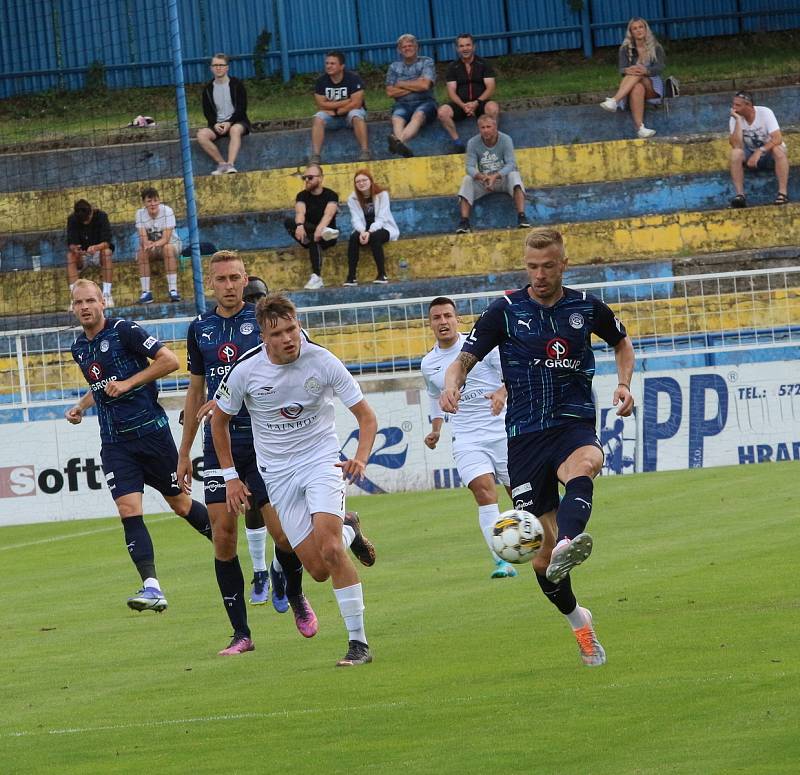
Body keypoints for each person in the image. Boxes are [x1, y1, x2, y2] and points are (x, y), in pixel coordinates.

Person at [440, 228, 635, 667]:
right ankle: (578, 622)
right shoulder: (506, 310)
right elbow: (463, 359)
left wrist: (624, 385)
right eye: (532, 267)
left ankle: (570, 539)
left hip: (572, 421)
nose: (540, 274)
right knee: (541, 561)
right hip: (524, 436)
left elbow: (622, 342)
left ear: (564, 264)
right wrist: (453, 385)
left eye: (548, 266)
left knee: (585, 464)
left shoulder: (586, 307)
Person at [211, 293, 378, 667]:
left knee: (331, 550)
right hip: (279, 475)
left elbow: (367, 417)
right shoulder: (245, 371)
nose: (289, 338)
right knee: (318, 570)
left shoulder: (322, 360)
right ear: (263, 337)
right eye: (279, 333)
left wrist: (361, 458)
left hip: (321, 461)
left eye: (293, 328)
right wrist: (231, 478)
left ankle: (358, 644)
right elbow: (218, 421)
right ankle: (350, 529)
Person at [177, 252, 314, 655]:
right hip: (219, 444)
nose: (231, 285)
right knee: (223, 537)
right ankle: (241, 634)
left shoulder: (264, 325)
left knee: (285, 535)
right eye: (222, 279)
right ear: (212, 284)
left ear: (245, 279)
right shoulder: (199, 328)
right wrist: (184, 452)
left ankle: (295, 595)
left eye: (237, 278)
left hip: (265, 441)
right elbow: (195, 392)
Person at [66, 279, 213, 613]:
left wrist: (129, 383)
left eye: (91, 300)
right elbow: (102, 385)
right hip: (115, 442)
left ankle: (228, 546)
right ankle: (151, 587)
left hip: (152, 435)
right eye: (79, 303)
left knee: (181, 504)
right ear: (73, 307)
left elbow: (170, 361)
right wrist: (82, 406)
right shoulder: (79, 348)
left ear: (103, 301)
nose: (85, 307)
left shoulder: (125, 331)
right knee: (128, 510)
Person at [421, 297, 517, 579]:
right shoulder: (429, 363)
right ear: (430, 324)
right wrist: (436, 428)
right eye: (436, 317)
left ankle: (547, 543)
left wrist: (502, 393)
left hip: (502, 431)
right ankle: (501, 560)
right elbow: (433, 396)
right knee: (484, 491)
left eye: (447, 316)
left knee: (521, 495)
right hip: (467, 438)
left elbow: (512, 374)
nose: (443, 322)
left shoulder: (480, 347)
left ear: (457, 319)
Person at [456, 115, 530, 234]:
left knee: (514, 175)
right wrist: (482, 177)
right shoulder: (473, 142)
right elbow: (469, 167)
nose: (485, 130)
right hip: (484, 180)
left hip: (502, 178)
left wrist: (495, 176)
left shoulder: (506, 139)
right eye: (482, 127)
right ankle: (464, 222)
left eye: (488, 127)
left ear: (495, 127)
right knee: (467, 179)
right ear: (479, 129)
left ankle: (522, 216)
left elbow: (511, 163)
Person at [599, 17, 664, 139]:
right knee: (637, 86)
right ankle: (640, 128)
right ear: (631, 32)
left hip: (652, 86)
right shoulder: (625, 48)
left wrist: (646, 70)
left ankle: (615, 100)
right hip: (634, 85)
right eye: (635, 28)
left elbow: (660, 67)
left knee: (638, 71)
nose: (639, 30)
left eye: (641, 27)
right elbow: (622, 69)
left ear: (646, 29)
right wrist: (627, 70)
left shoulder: (656, 47)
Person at [438, 33, 500, 153]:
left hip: (480, 102)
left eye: (468, 45)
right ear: (457, 49)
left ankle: (491, 141)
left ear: (473, 47)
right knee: (442, 112)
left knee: (493, 108)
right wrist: (463, 105)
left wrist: (477, 102)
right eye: (461, 46)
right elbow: (451, 91)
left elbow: (491, 87)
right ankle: (458, 143)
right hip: (460, 104)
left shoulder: (484, 63)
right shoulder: (452, 67)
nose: (465, 48)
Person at [728, 90, 790, 208]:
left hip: (768, 154)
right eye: (733, 104)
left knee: (778, 149)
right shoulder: (734, 118)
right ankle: (740, 196)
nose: (734, 108)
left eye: (738, 105)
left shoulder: (765, 112)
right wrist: (738, 121)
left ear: (749, 105)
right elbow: (736, 145)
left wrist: (759, 151)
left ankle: (783, 193)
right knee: (735, 153)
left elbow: (777, 138)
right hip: (749, 153)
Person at [283, 164, 339, 290]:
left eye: (310, 177)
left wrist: (321, 229)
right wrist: (299, 225)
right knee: (289, 221)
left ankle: (317, 277)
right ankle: (317, 277)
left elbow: (328, 215)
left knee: (315, 239)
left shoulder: (331, 195)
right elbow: (300, 212)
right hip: (307, 234)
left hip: (328, 236)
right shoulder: (302, 195)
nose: (307, 180)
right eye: (304, 178)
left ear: (320, 178)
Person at [310, 51, 370, 164]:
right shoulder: (321, 81)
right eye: (327, 63)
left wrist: (337, 110)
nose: (328, 66)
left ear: (342, 66)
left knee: (356, 114)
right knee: (318, 118)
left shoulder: (353, 78)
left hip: (349, 115)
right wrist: (344, 104)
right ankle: (315, 155)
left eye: (332, 63)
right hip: (332, 117)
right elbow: (321, 105)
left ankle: (365, 151)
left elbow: (357, 103)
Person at [385, 34, 437, 158]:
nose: (407, 48)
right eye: (404, 47)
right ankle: (402, 146)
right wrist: (416, 85)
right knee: (396, 119)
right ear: (399, 50)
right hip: (402, 104)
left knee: (418, 115)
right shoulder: (394, 67)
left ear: (417, 47)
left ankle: (399, 143)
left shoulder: (426, 62)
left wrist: (401, 84)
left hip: (425, 102)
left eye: (410, 45)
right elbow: (390, 92)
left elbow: (425, 86)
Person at [198, 53, 251, 175]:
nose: (218, 68)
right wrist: (215, 124)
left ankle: (231, 164)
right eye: (215, 65)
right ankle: (223, 164)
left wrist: (229, 122)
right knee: (201, 135)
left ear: (227, 67)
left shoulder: (237, 84)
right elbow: (207, 112)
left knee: (235, 130)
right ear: (211, 68)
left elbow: (242, 108)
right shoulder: (207, 89)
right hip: (218, 124)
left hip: (237, 121)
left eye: (221, 65)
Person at [344, 169, 399, 286]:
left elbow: (381, 218)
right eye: (358, 181)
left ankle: (382, 274)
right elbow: (355, 219)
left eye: (364, 180)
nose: (361, 183)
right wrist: (363, 231)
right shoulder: (352, 198)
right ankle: (351, 276)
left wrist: (369, 232)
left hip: (383, 228)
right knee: (353, 237)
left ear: (371, 181)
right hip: (363, 229)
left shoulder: (382, 195)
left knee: (374, 237)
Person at [135, 188, 182, 304]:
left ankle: (173, 290)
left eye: (155, 200)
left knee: (167, 248)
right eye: (149, 201)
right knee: (141, 251)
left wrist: (154, 244)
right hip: (152, 248)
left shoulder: (167, 211)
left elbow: (166, 239)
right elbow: (142, 238)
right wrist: (146, 244)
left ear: (159, 201)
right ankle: (146, 292)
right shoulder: (139, 214)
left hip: (172, 245)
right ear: (144, 203)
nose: (153, 204)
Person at [66, 199, 114, 308]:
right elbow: (70, 244)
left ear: (91, 211)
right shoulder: (72, 219)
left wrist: (96, 247)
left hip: (99, 253)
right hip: (82, 256)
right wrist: (76, 249)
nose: (86, 223)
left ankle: (106, 294)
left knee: (107, 252)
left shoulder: (102, 216)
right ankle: (74, 298)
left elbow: (107, 242)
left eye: (88, 219)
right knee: (70, 256)